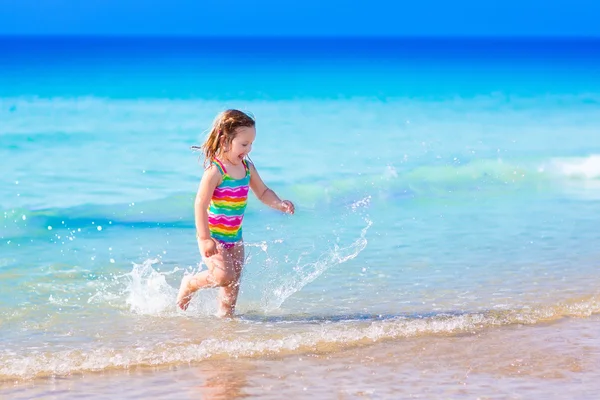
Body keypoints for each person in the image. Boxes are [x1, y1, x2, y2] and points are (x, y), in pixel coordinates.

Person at [177, 109, 295, 317]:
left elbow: (263, 192)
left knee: (233, 283)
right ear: (225, 139)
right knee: (223, 276)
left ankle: (225, 318)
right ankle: (190, 284)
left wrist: (279, 203)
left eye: (251, 144)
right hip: (213, 236)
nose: (248, 149)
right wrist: (204, 238)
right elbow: (200, 203)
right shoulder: (216, 170)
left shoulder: (247, 168)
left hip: (235, 236)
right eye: (243, 144)